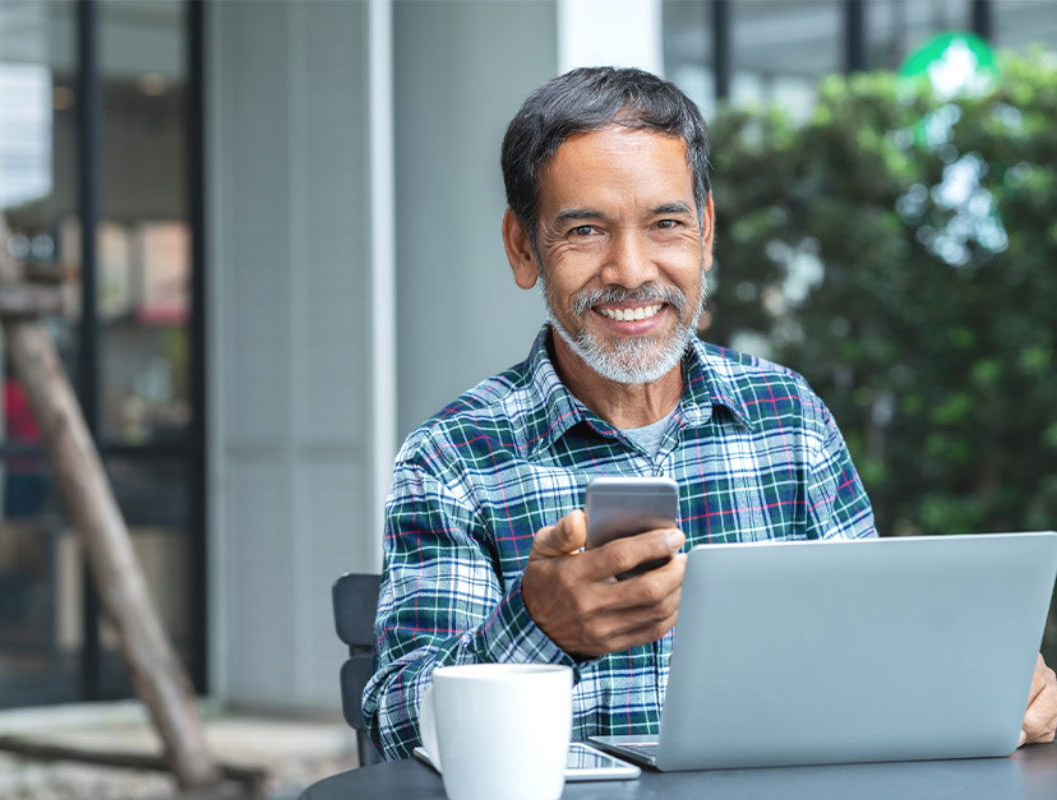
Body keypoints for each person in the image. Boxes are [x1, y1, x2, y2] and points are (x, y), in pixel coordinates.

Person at [362, 67, 1057, 760]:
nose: (631, 270)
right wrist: (540, 627)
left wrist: (988, 681)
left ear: (706, 231)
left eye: (666, 223)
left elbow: (873, 651)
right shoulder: (453, 458)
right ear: (523, 247)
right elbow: (395, 728)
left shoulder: (789, 418)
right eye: (585, 230)